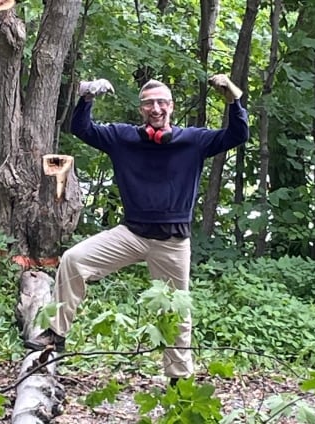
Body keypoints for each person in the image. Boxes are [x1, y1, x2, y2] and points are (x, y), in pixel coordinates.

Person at [25, 74, 249, 383]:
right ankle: (56, 334)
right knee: (74, 260)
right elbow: (81, 129)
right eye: (148, 104)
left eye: (161, 102)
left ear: (171, 106)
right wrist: (87, 97)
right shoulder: (123, 137)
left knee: (175, 312)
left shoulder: (194, 141)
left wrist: (232, 97)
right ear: (140, 109)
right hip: (132, 234)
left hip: (172, 242)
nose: (155, 109)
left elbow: (237, 134)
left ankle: (178, 378)